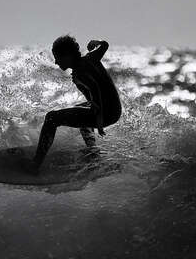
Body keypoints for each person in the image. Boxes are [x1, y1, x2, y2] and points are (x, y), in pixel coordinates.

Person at [22, 35, 122, 174]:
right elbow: (105, 45)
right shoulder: (90, 57)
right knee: (79, 111)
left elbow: (95, 89)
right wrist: (96, 42)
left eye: (58, 57)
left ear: (68, 56)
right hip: (114, 109)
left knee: (51, 118)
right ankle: (93, 153)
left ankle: (35, 165)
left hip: (106, 113)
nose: (56, 62)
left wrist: (98, 119)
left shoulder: (80, 72)